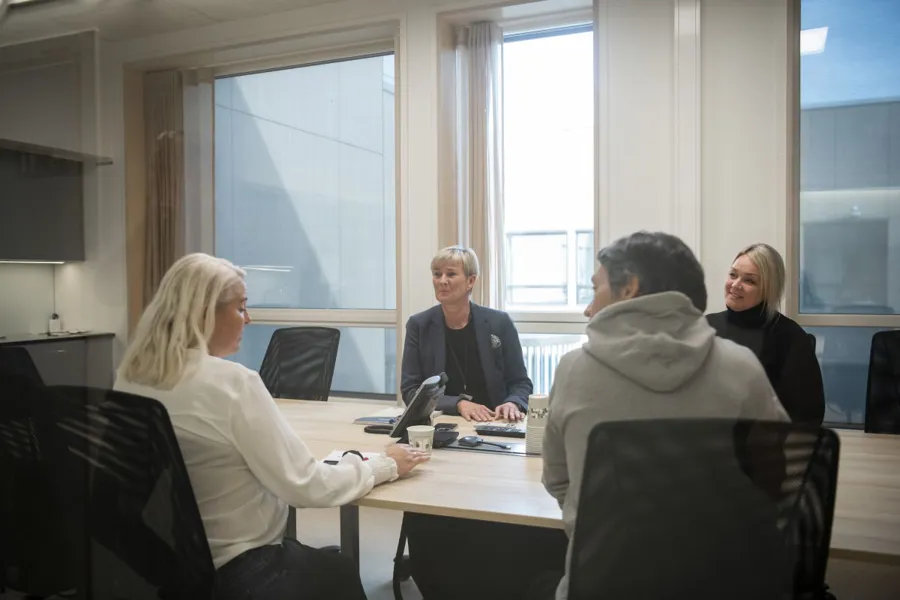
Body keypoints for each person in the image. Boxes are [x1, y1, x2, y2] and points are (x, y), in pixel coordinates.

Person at [114, 253, 428, 600]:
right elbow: (306, 486)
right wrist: (384, 464)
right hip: (241, 569)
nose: (248, 319)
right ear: (204, 311)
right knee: (338, 572)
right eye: (240, 307)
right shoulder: (233, 384)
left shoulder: (131, 377)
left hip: (175, 567)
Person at [534, 232, 790, 600]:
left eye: (596, 288)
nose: (589, 306)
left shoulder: (574, 370)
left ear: (629, 288)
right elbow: (777, 478)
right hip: (720, 584)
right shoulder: (743, 368)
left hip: (605, 583)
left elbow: (559, 482)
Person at [401, 245, 533, 422]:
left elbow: (520, 382)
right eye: (437, 274)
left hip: (493, 420)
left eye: (451, 274)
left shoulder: (499, 323)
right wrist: (458, 403)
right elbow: (411, 390)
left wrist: (513, 403)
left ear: (471, 281)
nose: (442, 281)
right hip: (443, 421)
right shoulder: (419, 325)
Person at [706, 243, 825, 425]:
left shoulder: (789, 336)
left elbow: (806, 412)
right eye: (733, 275)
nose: (735, 285)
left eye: (749, 281)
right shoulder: (705, 327)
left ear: (768, 289)